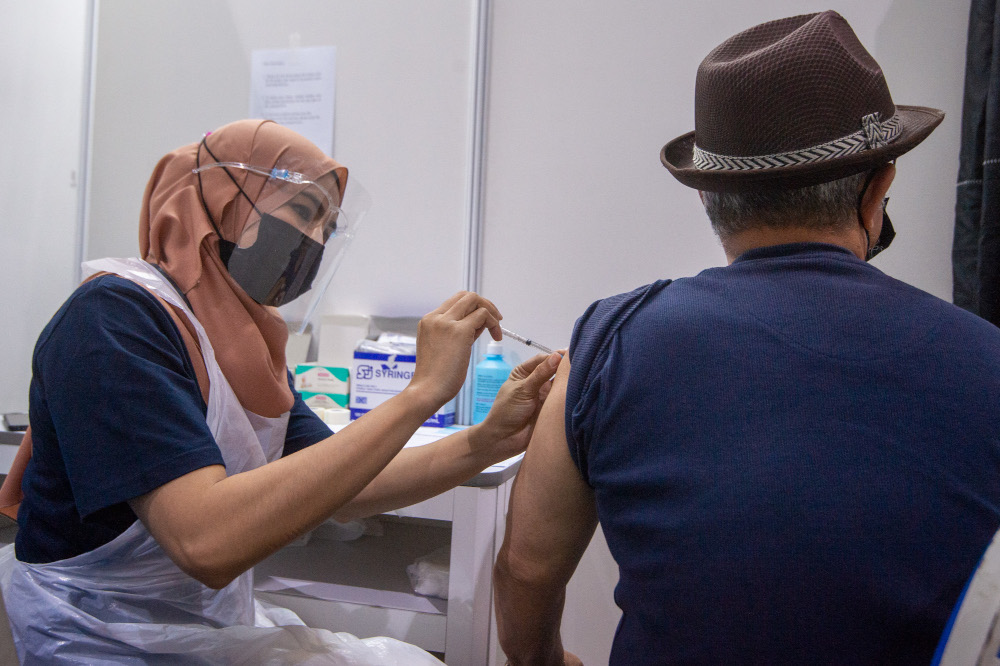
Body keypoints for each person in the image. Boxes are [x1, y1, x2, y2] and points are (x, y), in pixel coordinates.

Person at [493, 10, 1000, 665]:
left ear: (709, 198)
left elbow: (527, 569)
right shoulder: (987, 363)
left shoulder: (610, 343)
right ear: (879, 192)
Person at [0, 118, 562, 664]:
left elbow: (344, 485)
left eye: (328, 227)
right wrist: (421, 393)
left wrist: (488, 441)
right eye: (302, 211)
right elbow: (206, 543)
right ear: (223, 198)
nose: (313, 241)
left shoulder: (235, 341)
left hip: (195, 630)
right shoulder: (115, 320)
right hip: (99, 637)